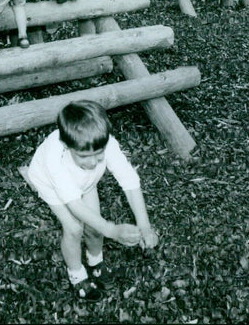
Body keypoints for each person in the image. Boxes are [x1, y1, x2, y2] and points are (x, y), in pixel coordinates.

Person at [20, 100, 159, 302]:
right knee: (74, 228)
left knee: (95, 225)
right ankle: (76, 274)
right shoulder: (55, 158)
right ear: (67, 146)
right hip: (51, 185)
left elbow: (129, 181)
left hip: (85, 181)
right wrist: (111, 230)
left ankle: (95, 262)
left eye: (99, 154)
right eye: (84, 156)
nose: (93, 162)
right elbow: (74, 204)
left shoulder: (105, 142)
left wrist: (144, 225)